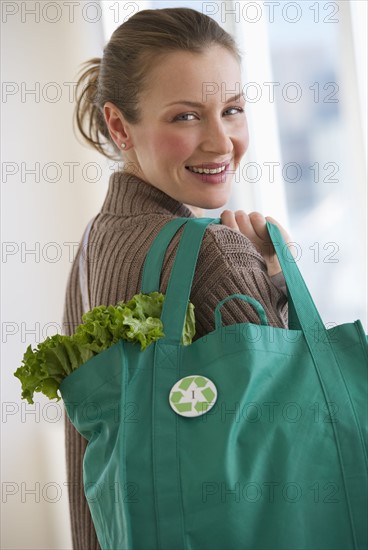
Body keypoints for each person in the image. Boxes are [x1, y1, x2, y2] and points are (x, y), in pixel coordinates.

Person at [62, 7, 290, 549]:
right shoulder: (215, 251)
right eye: (186, 117)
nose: (221, 142)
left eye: (232, 109)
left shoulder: (98, 241)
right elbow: (297, 434)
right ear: (119, 126)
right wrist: (275, 278)